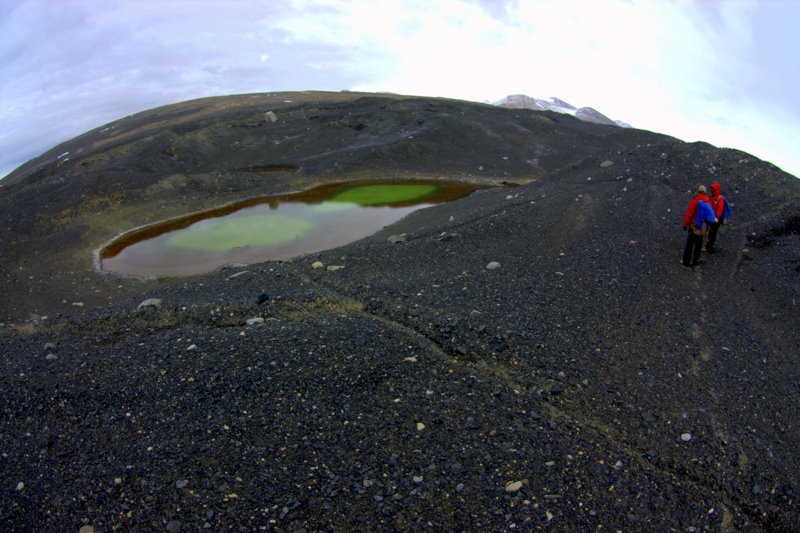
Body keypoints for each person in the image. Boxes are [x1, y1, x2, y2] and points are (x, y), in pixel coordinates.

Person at [682, 185, 717, 267]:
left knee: (689, 245)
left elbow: (689, 214)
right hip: (702, 228)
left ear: (698, 191)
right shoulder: (707, 202)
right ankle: (695, 262)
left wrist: (685, 224)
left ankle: (686, 262)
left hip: (693, 226)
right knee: (698, 245)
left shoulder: (695, 201)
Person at [704, 183, 731, 253]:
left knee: (713, 233)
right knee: (711, 233)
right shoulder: (713, 197)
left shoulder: (719, 199)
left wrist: (716, 217)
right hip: (712, 218)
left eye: (713, 189)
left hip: (716, 220)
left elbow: (720, 210)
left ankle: (709, 247)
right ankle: (709, 246)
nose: (712, 191)